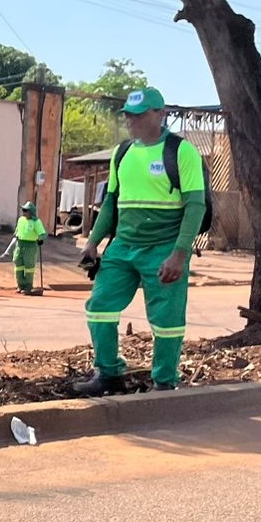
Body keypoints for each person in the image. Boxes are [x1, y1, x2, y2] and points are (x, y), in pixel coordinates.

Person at [73, 86, 205, 395]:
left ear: (160, 114)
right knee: (99, 306)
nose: (131, 120)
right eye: (128, 115)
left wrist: (180, 254)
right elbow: (111, 202)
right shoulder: (122, 153)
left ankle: (164, 381)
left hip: (164, 248)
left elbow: (195, 205)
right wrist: (93, 242)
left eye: (139, 114)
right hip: (122, 247)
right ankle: (108, 374)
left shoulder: (181, 152)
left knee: (166, 320)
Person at [0, 201, 46, 294]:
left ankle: (28, 286)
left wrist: (40, 239)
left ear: (31, 212)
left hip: (30, 245)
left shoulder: (36, 222)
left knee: (29, 266)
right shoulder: (21, 220)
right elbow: (17, 232)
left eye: (26, 211)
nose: (24, 212)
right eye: (23, 210)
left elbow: (43, 234)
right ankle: (20, 285)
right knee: (18, 264)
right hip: (20, 244)